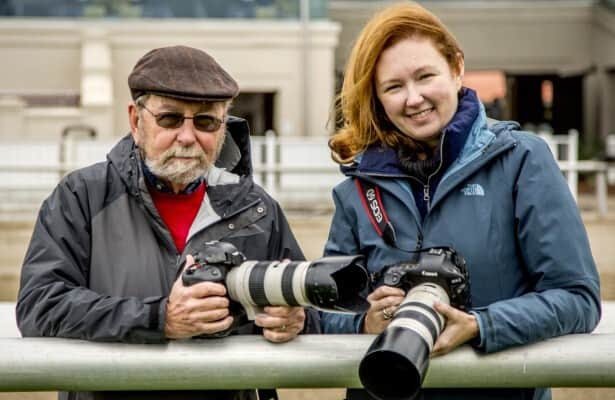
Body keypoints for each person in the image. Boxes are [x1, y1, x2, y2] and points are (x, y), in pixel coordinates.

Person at [320, 3, 601, 400]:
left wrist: (481, 325)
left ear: (456, 67)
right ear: (377, 97)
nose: (413, 98)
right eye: (394, 87)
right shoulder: (357, 188)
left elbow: (578, 298)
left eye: (425, 76)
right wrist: (365, 321)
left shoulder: (521, 161)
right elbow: (323, 312)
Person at [16, 45, 316, 400]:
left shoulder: (258, 208)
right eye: (170, 118)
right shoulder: (81, 197)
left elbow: (309, 306)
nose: (187, 137)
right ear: (135, 120)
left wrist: (295, 320)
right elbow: (40, 306)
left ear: (222, 129)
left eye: (205, 121)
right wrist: (161, 318)